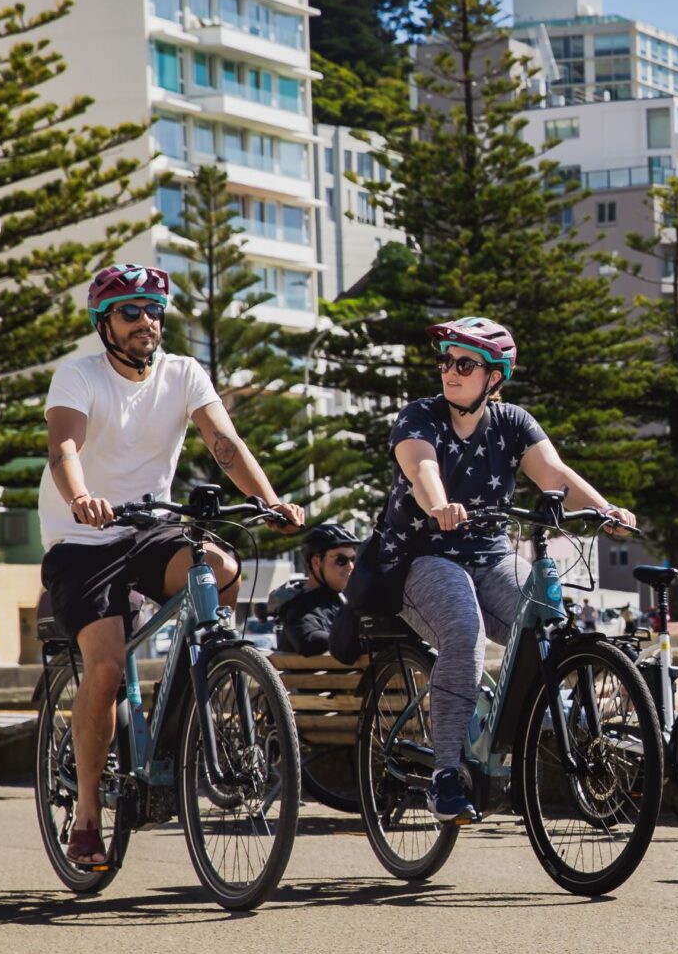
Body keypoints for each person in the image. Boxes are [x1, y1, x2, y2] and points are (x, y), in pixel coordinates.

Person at [38, 263, 304, 872]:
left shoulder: (184, 373)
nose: (146, 323)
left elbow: (225, 444)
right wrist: (81, 494)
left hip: (149, 527)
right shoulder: (78, 376)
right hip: (84, 539)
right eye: (131, 312)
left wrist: (269, 499)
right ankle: (85, 819)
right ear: (104, 321)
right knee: (104, 669)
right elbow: (64, 448)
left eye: (154, 312)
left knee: (222, 568)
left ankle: (210, 672)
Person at [374, 315, 633, 825]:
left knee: (549, 622)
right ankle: (446, 774)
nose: (449, 371)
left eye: (464, 363)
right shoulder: (419, 417)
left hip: (491, 555)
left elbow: (554, 475)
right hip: (422, 556)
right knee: (465, 634)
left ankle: (531, 732)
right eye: (445, 361)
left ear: (494, 378)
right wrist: (439, 505)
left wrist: (607, 512)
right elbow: (421, 467)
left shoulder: (513, 422)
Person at [268, 523, 358, 656]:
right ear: (316, 562)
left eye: (353, 559)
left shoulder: (345, 599)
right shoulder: (298, 606)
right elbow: (308, 640)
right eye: (341, 560)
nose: (350, 567)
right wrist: (357, 641)